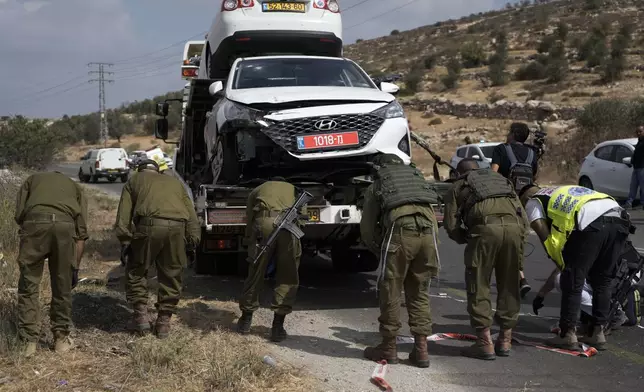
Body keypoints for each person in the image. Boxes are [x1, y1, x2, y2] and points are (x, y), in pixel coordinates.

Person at [519, 184, 630, 351]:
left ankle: (567, 334)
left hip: (592, 223)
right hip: (620, 218)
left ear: (525, 199)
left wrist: (560, 261)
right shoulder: (561, 191)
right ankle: (597, 332)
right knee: (603, 280)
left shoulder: (533, 201)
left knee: (572, 281)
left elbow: (545, 237)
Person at [360, 154, 440, 368]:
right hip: (428, 236)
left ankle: (388, 347)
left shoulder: (378, 185)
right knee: (420, 291)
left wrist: (380, 247)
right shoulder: (417, 182)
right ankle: (421, 350)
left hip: (400, 234)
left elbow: (367, 230)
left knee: (391, 289)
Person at [443, 158, 528, 360]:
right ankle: (505, 340)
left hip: (485, 231)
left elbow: (451, 225)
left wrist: (466, 237)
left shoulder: (458, 186)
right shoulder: (501, 180)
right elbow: (523, 217)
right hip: (515, 230)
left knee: (478, 283)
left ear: (458, 173)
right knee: (509, 284)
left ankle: (484, 342)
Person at [114, 158, 200, 339]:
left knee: (137, 270)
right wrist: (193, 240)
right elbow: (191, 214)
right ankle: (163, 323)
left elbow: (123, 216)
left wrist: (125, 241)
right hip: (177, 228)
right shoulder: (175, 183)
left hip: (148, 227)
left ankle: (141, 318)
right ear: (157, 170)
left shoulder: (134, 180)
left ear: (140, 170)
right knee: (172, 274)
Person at [14, 171, 88, 356]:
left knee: (28, 285)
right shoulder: (74, 186)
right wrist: (75, 269)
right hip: (65, 227)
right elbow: (81, 234)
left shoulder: (31, 179)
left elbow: (19, 214)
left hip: (35, 224)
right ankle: (61, 340)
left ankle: (28, 342)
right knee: (62, 286)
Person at [237, 177, 306, 342]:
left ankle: (246, 321)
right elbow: (303, 217)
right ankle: (277, 327)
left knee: (255, 272)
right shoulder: (295, 190)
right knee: (287, 276)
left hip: (264, 224)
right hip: (288, 228)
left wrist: (248, 238)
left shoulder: (258, 189)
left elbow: (250, 215)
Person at [491, 122, 539, 298]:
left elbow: (493, 174)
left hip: (506, 200)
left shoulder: (501, 149)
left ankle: (518, 277)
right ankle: (520, 277)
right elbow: (533, 177)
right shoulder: (532, 152)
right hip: (526, 200)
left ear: (512, 134)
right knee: (518, 239)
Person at [623, 125, 644, 209]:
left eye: (640, 131)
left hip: (642, 168)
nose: (638, 133)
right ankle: (629, 203)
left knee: (643, 187)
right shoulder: (639, 141)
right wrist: (632, 160)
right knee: (633, 186)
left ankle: (642, 203)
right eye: (637, 132)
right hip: (636, 168)